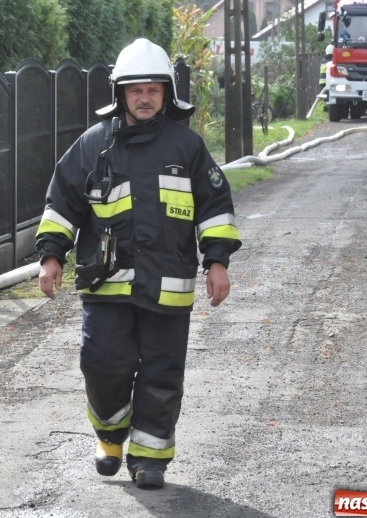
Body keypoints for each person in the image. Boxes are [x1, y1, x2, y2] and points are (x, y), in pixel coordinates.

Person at [35, 38, 241, 489]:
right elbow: (62, 205)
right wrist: (52, 255)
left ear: (166, 93)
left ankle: (150, 459)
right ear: (120, 95)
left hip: (168, 288)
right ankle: (109, 437)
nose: (145, 98)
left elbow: (215, 208)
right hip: (106, 288)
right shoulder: (92, 146)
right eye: (135, 90)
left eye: (153, 89)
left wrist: (217, 262)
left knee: (162, 373)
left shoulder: (187, 147)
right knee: (103, 365)